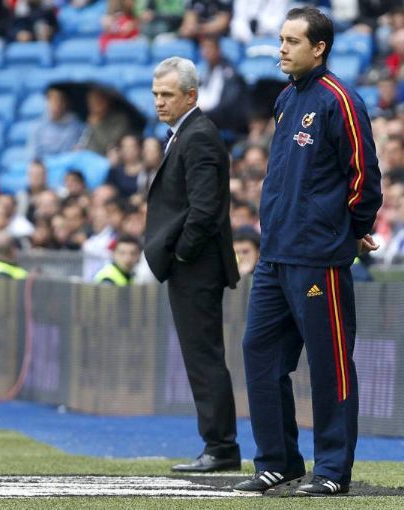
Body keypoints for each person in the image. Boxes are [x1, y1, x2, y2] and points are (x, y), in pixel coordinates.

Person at [234, 7, 383, 496]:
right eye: (280, 40)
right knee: (259, 352)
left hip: (319, 257)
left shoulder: (341, 100)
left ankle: (333, 470)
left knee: (329, 362)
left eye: (291, 41)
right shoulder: (284, 99)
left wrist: (350, 231)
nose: (281, 49)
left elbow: (365, 178)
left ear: (318, 47)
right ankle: (278, 461)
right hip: (275, 254)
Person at [145, 57, 241, 473]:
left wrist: (181, 255)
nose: (159, 103)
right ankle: (218, 444)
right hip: (192, 265)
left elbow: (204, 210)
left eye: (167, 95)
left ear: (191, 95)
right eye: (155, 95)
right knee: (201, 355)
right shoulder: (187, 134)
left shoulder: (198, 136)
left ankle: (220, 447)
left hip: (196, 266)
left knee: (203, 357)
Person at [26, 87, 84, 160]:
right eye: (51, 100)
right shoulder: (38, 126)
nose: (55, 104)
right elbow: (32, 156)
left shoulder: (76, 126)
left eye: (58, 100)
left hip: (67, 166)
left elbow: (76, 152)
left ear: (66, 103)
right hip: (43, 168)